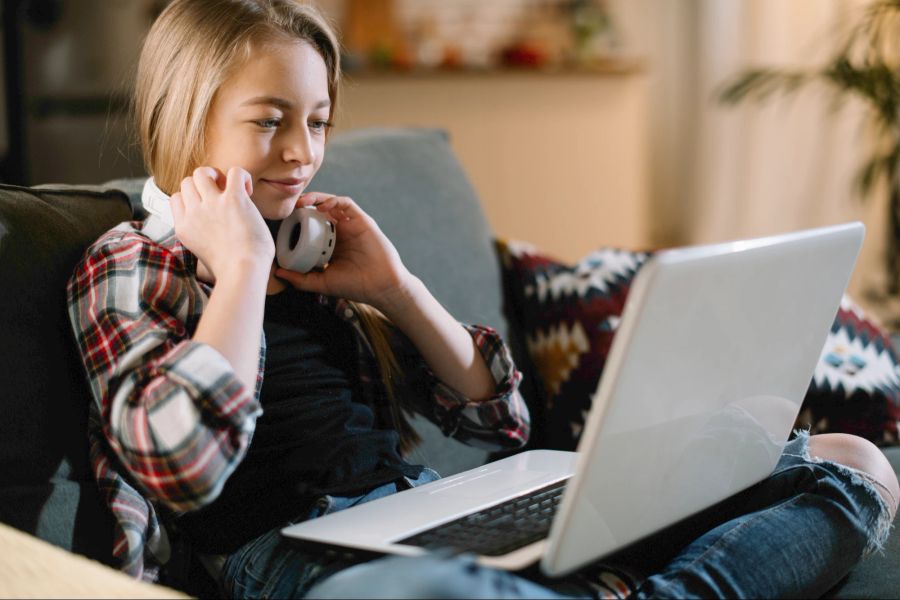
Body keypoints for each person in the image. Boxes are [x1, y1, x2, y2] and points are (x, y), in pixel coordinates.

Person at [66, 1, 898, 598]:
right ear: (188, 116)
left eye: (318, 121)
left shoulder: (311, 251)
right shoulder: (132, 264)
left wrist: (395, 288)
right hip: (297, 560)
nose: (301, 152)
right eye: (270, 120)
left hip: (418, 511)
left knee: (853, 464)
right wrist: (241, 268)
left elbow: (501, 426)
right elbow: (181, 467)